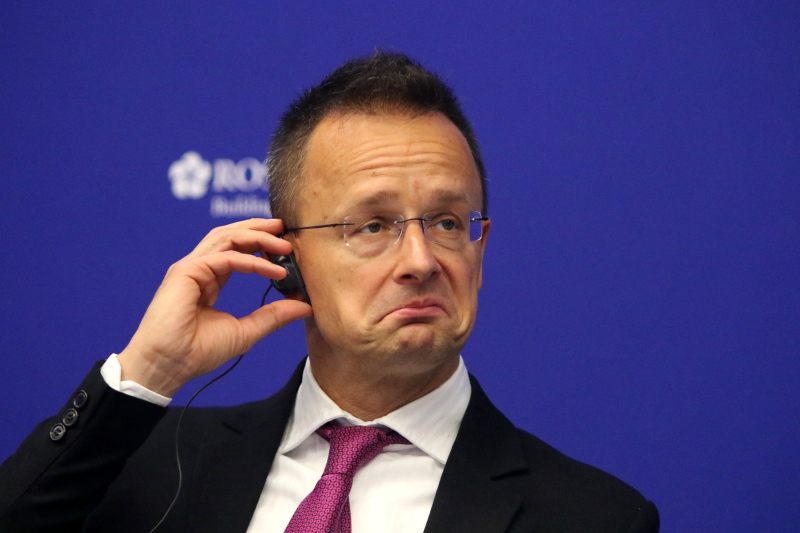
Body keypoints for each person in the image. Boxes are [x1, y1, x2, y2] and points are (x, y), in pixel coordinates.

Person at [0, 51, 659, 533]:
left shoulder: (595, 517)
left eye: (447, 222)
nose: (421, 260)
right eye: (372, 225)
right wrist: (149, 370)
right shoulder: (150, 465)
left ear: (479, 251)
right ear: (285, 257)